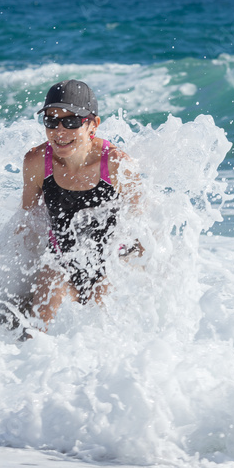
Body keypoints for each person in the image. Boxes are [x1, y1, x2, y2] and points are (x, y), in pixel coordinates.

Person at [15, 79, 140, 331]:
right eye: (51, 120)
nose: (59, 131)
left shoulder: (116, 164)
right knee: (36, 330)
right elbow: (26, 220)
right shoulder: (37, 161)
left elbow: (141, 223)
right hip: (60, 259)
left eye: (71, 121)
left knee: (100, 329)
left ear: (93, 124)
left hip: (112, 261)